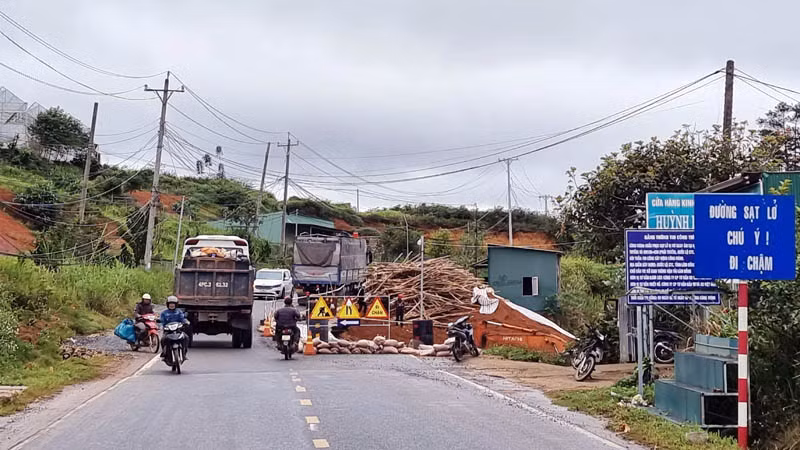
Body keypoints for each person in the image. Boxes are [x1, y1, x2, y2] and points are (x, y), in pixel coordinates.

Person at [160, 296, 189, 361]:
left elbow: (182, 319)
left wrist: (186, 322)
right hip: (168, 331)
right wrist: (160, 324)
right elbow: (162, 321)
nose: (172, 305)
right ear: (168, 304)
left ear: (176, 304)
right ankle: (164, 353)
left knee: (186, 337)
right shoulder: (164, 313)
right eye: (170, 304)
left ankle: (184, 352)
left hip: (178, 330)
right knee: (163, 340)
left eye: (173, 304)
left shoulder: (179, 312)